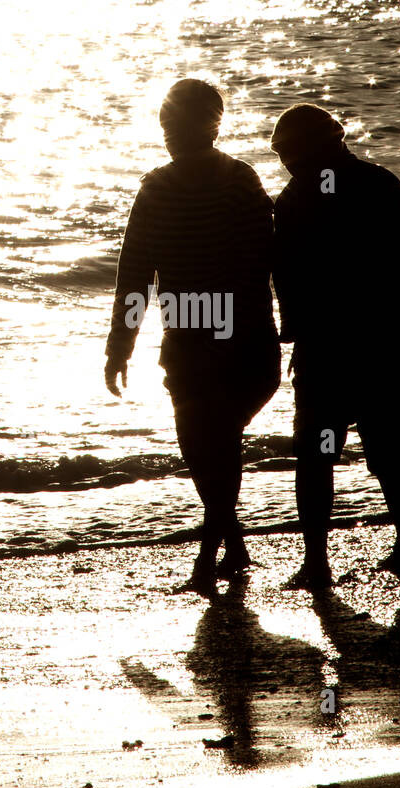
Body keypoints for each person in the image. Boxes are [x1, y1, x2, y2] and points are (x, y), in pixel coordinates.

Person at [105, 79, 280, 591]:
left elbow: (271, 258)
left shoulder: (225, 183)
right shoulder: (211, 181)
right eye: (165, 125)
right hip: (207, 339)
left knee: (209, 444)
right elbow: (134, 272)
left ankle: (209, 560)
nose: (169, 135)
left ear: (210, 125)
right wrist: (121, 345)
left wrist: (121, 346)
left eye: (177, 124)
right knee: (209, 445)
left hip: (229, 341)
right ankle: (233, 546)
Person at [270, 103, 400, 590]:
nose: (290, 160)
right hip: (368, 351)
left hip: (353, 352)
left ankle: (332, 558)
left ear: (329, 142)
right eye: (284, 153)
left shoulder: (305, 197)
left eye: (293, 151)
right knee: (371, 453)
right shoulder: (372, 185)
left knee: (326, 454)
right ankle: (395, 548)